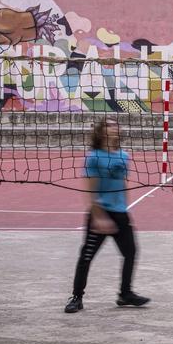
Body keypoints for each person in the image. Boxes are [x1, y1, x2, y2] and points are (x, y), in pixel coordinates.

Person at [64, 117, 150, 313]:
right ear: (102, 131)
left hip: (120, 214)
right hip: (100, 214)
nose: (115, 127)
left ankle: (125, 293)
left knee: (131, 253)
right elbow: (90, 190)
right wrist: (99, 216)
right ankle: (76, 297)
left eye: (116, 125)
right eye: (110, 125)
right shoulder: (94, 157)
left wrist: (125, 209)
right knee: (86, 256)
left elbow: (122, 184)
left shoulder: (124, 156)